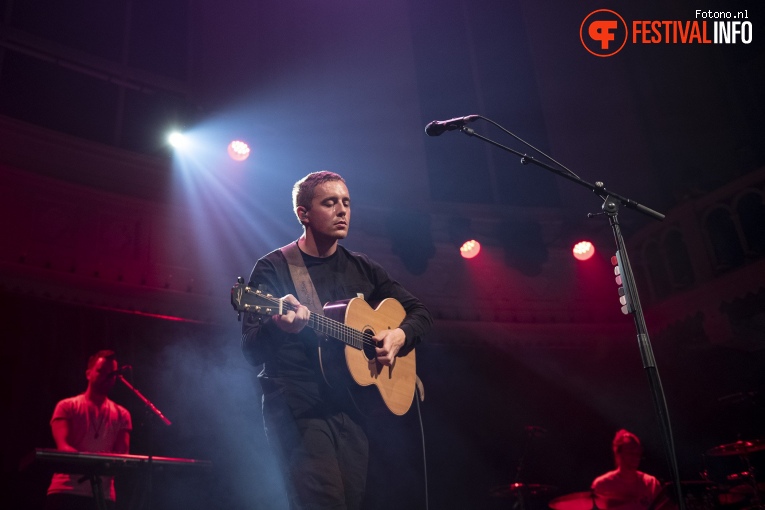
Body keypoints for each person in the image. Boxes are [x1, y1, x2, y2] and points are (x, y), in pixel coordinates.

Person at [241, 170, 433, 509]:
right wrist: (278, 326)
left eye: (346, 202)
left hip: (351, 406)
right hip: (297, 404)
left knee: (351, 501)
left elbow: (419, 312)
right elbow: (251, 349)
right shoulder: (274, 268)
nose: (342, 210)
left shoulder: (363, 267)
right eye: (330, 203)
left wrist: (399, 335)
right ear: (304, 214)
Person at [45, 349, 132, 510]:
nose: (107, 376)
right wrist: (97, 463)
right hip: (66, 490)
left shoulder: (123, 414)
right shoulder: (66, 406)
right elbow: (63, 447)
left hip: (103, 495)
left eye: (112, 373)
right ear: (88, 374)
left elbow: (122, 456)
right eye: (101, 371)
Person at [591, 429, 665, 510]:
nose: (635, 457)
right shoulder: (602, 485)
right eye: (630, 453)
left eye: (637, 453)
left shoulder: (651, 483)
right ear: (618, 454)